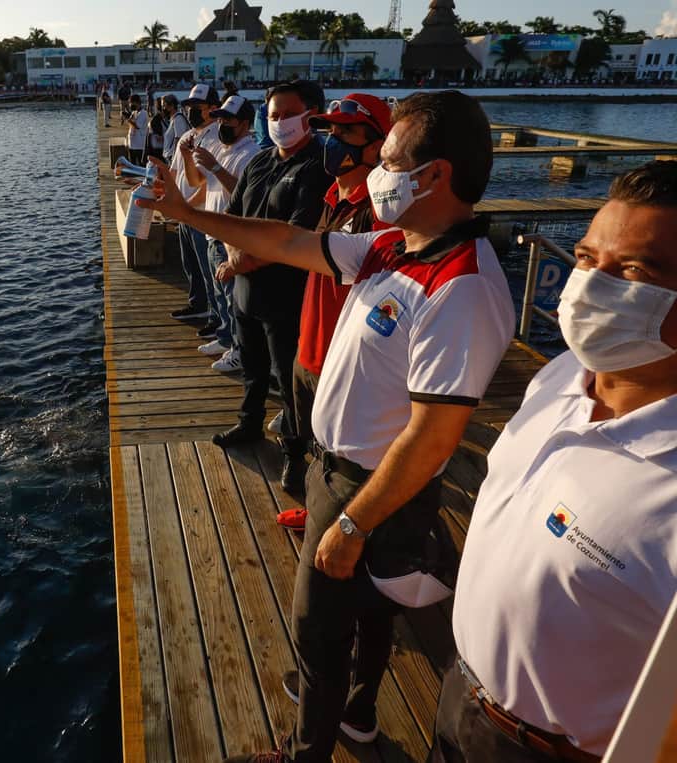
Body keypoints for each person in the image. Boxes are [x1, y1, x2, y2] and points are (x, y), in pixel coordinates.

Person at [142, 90, 515, 763]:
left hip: (366, 491)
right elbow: (286, 240)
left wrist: (352, 522)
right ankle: (358, 713)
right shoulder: (397, 247)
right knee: (369, 612)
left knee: (317, 627)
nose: (379, 170)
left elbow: (433, 438)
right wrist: (186, 212)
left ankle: (303, 751)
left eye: (393, 159)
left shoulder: (462, 287)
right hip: (337, 472)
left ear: (437, 175)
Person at [435, 161, 677, 762]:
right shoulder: (563, 374)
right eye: (588, 258)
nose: (591, 285)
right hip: (457, 694)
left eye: (633, 271)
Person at [277, 93, 393, 525]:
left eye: (346, 132)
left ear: (378, 144)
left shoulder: (380, 209)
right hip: (309, 343)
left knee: (345, 455)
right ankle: (318, 509)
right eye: (330, 131)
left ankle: (344, 527)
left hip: (341, 358)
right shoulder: (332, 194)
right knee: (315, 441)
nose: (333, 140)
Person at [208, 81, 330, 476]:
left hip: (286, 295)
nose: (279, 122)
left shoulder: (318, 166)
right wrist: (234, 256)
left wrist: (240, 263)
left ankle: (296, 453)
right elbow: (232, 216)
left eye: (287, 115)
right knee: (253, 367)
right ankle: (249, 423)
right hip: (245, 292)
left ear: (311, 115)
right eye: (273, 115)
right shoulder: (260, 162)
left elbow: (295, 235)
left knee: (288, 378)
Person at [182, 94, 260, 373]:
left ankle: (240, 351)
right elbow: (199, 183)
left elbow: (244, 193)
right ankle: (227, 338)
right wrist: (187, 157)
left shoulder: (250, 153)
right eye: (220, 118)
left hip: (231, 236)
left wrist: (215, 165)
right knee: (219, 293)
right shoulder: (225, 149)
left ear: (245, 124)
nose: (222, 124)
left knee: (233, 298)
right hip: (213, 231)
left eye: (229, 119)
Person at [168, 84, 222, 325]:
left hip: (200, 213)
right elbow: (174, 171)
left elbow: (206, 184)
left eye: (197, 108)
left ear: (213, 108)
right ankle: (198, 303)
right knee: (190, 264)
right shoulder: (188, 136)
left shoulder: (218, 138)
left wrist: (187, 209)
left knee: (207, 269)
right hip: (184, 212)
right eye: (189, 107)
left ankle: (216, 315)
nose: (191, 112)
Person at [160, 94, 190, 166]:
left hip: (174, 158)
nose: (163, 108)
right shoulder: (173, 119)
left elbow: (179, 139)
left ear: (172, 106)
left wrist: (175, 159)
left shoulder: (178, 119)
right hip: (170, 157)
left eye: (164, 105)